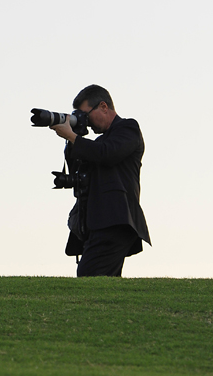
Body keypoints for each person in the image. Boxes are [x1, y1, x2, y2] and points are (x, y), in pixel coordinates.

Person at [50, 84, 151, 277]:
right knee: (103, 283)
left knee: (89, 278)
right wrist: (72, 138)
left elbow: (106, 154)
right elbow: (79, 170)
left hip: (114, 221)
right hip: (96, 224)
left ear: (103, 106)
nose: (87, 123)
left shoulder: (128, 128)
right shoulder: (97, 143)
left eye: (86, 116)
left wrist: (72, 136)